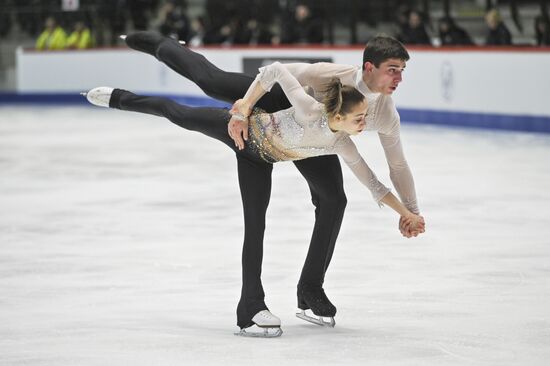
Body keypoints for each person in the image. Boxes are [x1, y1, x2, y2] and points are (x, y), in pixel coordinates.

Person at [83, 63, 424, 336]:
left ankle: (286, 296)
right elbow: (275, 69)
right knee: (181, 114)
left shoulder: (341, 144)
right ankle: (121, 98)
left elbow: (375, 184)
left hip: (268, 158)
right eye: (359, 118)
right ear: (337, 117)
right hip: (246, 140)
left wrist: (406, 213)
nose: (365, 125)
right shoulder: (308, 109)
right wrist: (244, 106)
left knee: (305, 209)